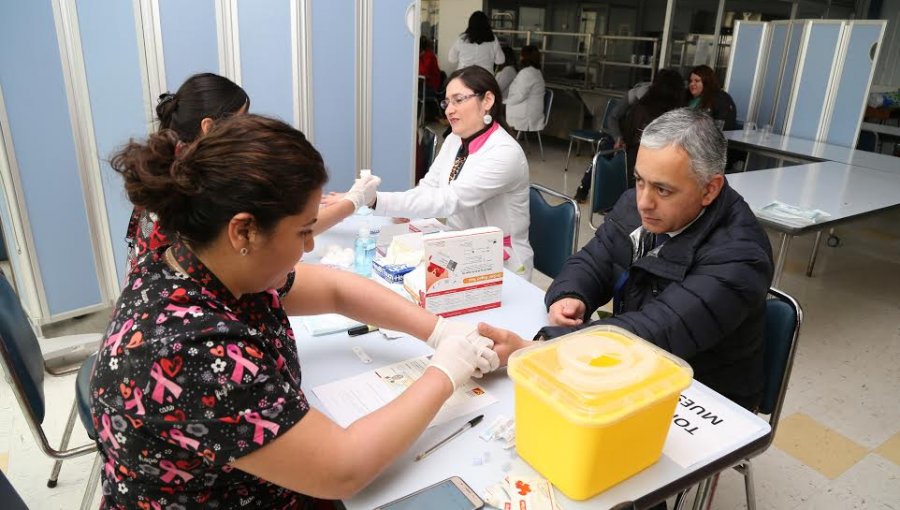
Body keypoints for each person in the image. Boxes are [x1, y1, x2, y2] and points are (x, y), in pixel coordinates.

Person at [91, 114, 502, 508]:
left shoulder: (206, 262)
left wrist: (439, 332)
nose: (309, 246)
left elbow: (335, 289)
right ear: (244, 231)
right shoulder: (189, 348)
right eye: (304, 231)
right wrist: (446, 371)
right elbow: (342, 468)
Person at [481, 108, 774, 410]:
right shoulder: (641, 206)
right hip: (639, 368)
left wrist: (541, 349)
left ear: (710, 189)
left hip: (703, 398)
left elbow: (659, 328)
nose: (644, 202)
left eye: (663, 189)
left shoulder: (740, 256)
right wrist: (570, 294)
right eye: (640, 180)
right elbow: (596, 259)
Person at [125, 73, 376, 275]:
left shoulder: (175, 173)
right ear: (209, 127)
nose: (247, 129)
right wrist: (353, 202)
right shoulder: (201, 189)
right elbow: (279, 229)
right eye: (241, 120)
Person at [364, 65, 534, 279]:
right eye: (447, 102)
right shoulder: (456, 139)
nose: (449, 109)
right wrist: (403, 208)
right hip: (458, 249)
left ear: (487, 101)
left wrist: (377, 201)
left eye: (458, 100)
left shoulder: (505, 154)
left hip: (502, 265)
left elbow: (449, 200)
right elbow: (430, 186)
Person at [573, 69, 684, 202]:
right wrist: (618, 137)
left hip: (643, 142)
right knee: (604, 152)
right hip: (620, 134)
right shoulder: (637, 95)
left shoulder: (675, 104)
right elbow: (613, 117)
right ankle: (583, 188)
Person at [504, 45, 546, 134]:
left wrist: (504, 101)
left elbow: (520, 96)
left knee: (497, 111)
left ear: (524, 57)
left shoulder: (527, 73)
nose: (520, 57)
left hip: (526, 114)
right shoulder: (536, 72)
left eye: (521, 55)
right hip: (533, 112)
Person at [687, 65, 737, 130]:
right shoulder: (687, 97)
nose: (692, 84)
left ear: (707, 82)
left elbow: (721, 128)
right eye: (690, 81)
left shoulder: (721, 99)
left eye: (697, 81)